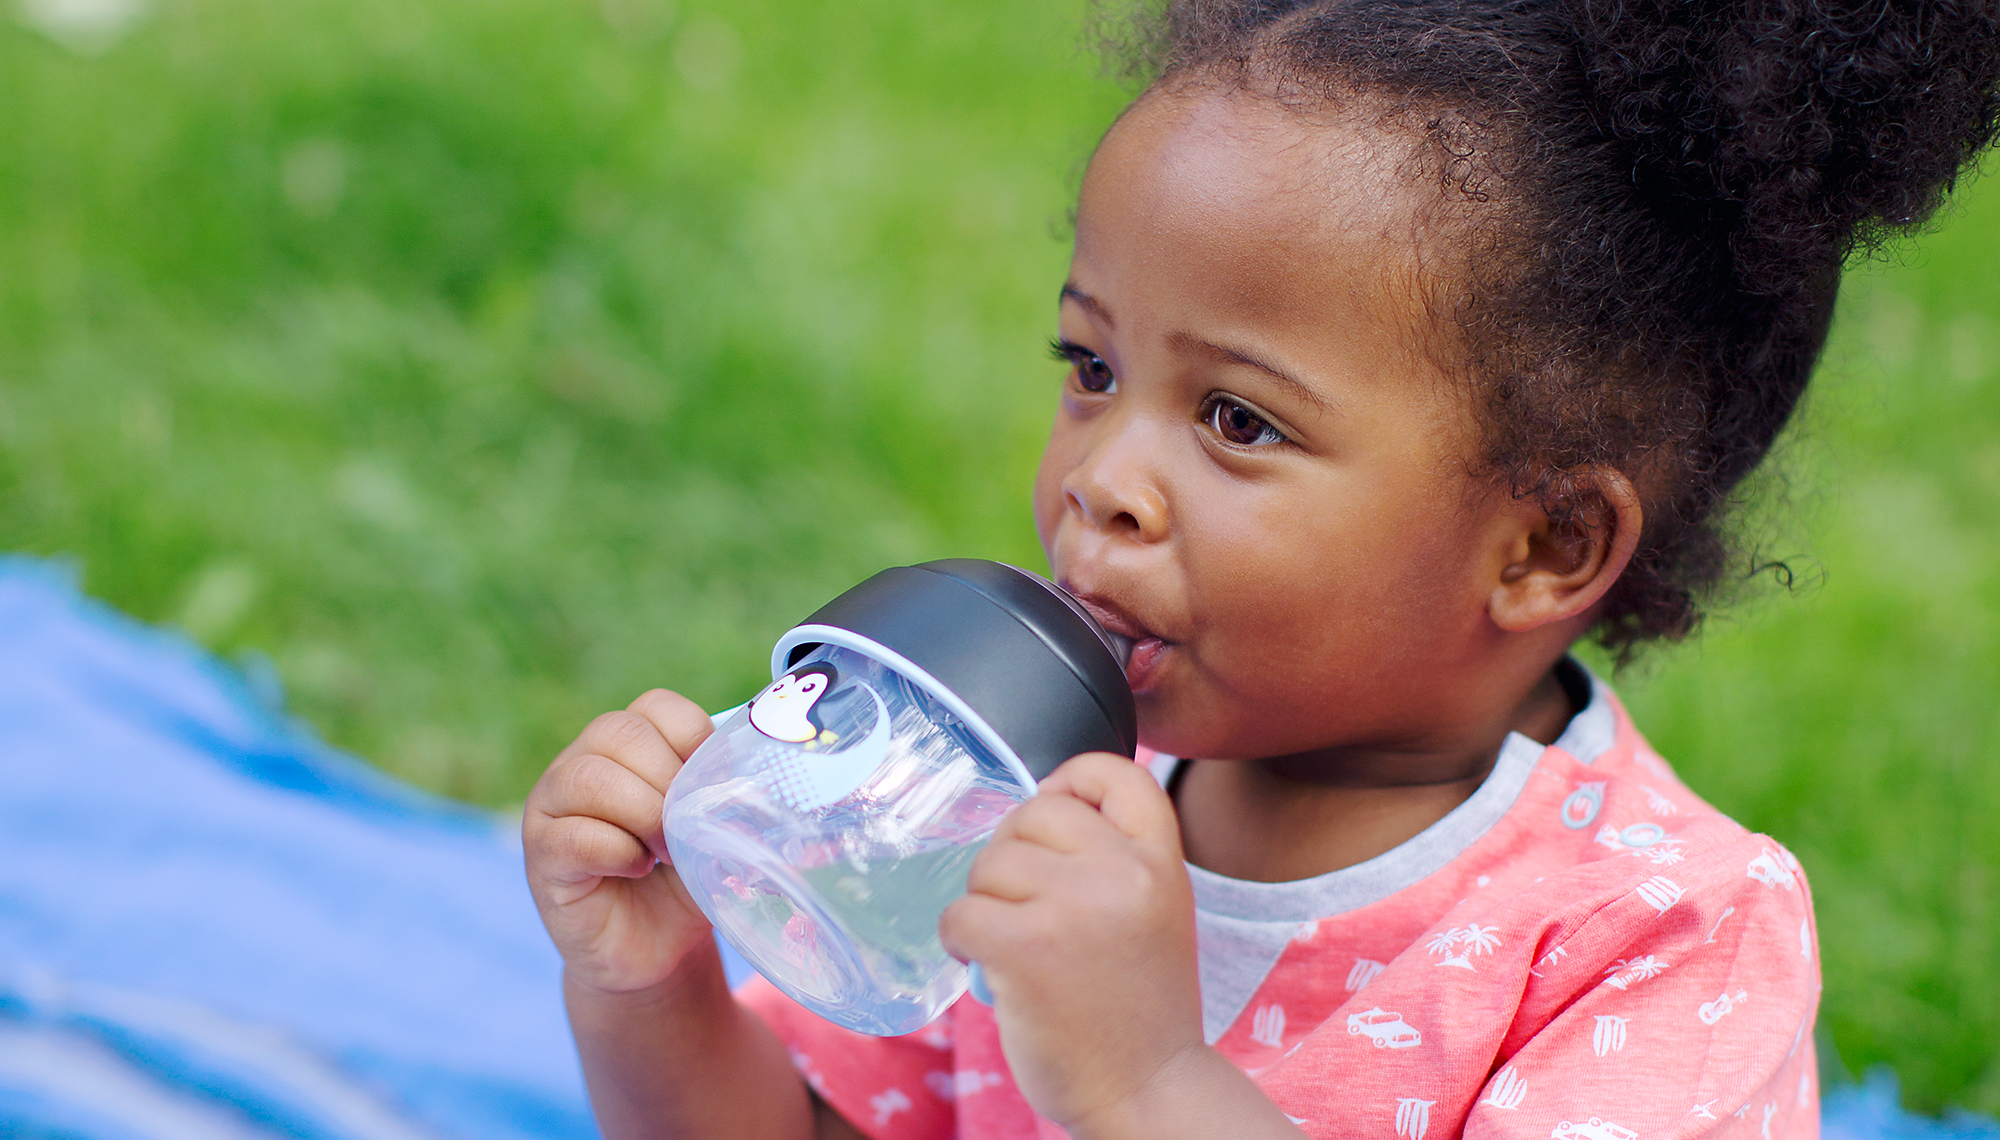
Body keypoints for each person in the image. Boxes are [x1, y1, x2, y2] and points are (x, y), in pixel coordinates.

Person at [520, 0, 2000, 1137]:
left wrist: (1152, 1080)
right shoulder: (1013, 793)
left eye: (1238, 419)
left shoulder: (1656, 936)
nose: (1102, 479)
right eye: (1089, 366)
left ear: (1543, 543)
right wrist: (652, 985)